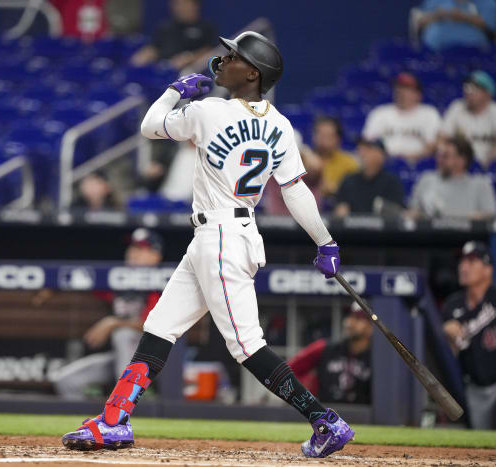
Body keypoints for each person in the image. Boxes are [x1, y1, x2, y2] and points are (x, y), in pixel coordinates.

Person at [62, 31, 354, 458]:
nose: (224, 59)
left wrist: (174, 90)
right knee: (160, 327)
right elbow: (295, 192)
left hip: (221, 238)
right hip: (223, 236)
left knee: (246, 344)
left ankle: (324, 420)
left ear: (253, 73)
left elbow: (149, 125)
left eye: (235, 56)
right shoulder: (280, 124)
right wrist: (325, 242)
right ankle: (114, 420)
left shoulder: (210, 111)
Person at [52, 228, 163, 399]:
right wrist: (50, 286)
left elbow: (152, 327)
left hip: (158, 361)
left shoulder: (163, 284)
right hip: (123, 359)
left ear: (156, 256)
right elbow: (83, 280)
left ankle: (124, 407)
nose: (133, 253)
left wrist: (112, 322)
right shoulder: (117, 281)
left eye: (141, 249)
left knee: (123, 334)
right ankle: (100, 422)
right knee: (66, 380)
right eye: (132, 247)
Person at [442, 241, 496, 429]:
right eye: (462, 262)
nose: (464, 267)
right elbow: (447, 355)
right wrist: (445, 331)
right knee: (482, 439)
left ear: (487, 269)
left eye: (471, 261)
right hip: (474, 385)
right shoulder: (452, 306)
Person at [289, 303, 372, 404]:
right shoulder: (324, 348)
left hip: (363, 415)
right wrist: (308, 390)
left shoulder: (377, 358)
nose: (350, 323)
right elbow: (289, 370)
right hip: (326, 413)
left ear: (371, 327)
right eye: (350, 317)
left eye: (358, 319)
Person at [408, 135, 496, 219]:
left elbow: (490, 215)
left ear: (462, 160)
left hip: (467, 235)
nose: (440, 160)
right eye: (439, 155)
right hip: (430, 235)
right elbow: (412, 213)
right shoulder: (426, 180)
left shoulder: (480, 185)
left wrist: (454, 219)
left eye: (445, 156)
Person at [362, 72, 442, 164]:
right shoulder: (380, 112)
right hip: (383, 164)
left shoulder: (429, 113)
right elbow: (366, 143)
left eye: (406, 88)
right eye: (398, 88)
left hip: (417, 163)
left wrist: (408, 160)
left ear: (418, 94)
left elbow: (433, 146)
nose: (400, 92)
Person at [130, 0, 217, 70]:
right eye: (177, 4)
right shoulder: (165, 27)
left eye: (184, 4)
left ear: (195, 6)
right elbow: (153, 47)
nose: (180, 8)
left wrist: (189, 58)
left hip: (188, 71)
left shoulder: (205, 28)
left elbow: (211, 51)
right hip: (162, 68)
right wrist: (140, 58)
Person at [441, 71, 496, 166]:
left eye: (475, 88)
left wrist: (489, 161)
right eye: (467, 88)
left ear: (488, 93)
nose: (468, 92)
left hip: (488, 164)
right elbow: (442, 138)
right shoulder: (457, 107)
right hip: (459, 167)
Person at [334, 139, 405, 217]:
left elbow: (399, 212)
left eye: (368, 149)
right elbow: (341, 208)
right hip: (354, 228)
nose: (362, 153)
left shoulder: (392, 182)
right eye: (360, 149)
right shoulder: (349, 181)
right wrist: (341, 211)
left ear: (381, 155)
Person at [416, 0, 496, 52]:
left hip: (473, 51)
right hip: (434, 53)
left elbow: (491, 28)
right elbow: (420, 22)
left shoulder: (487, 2)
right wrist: (437, 15)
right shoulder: (435, 1)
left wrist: (464, 17)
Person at [311, 116, 358, 198]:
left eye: (328, 136)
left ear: (338, 139)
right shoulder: (304, 160)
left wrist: (335, 189)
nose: (323, 139)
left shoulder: (348, 163)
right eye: (320, 134)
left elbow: (355, 190)